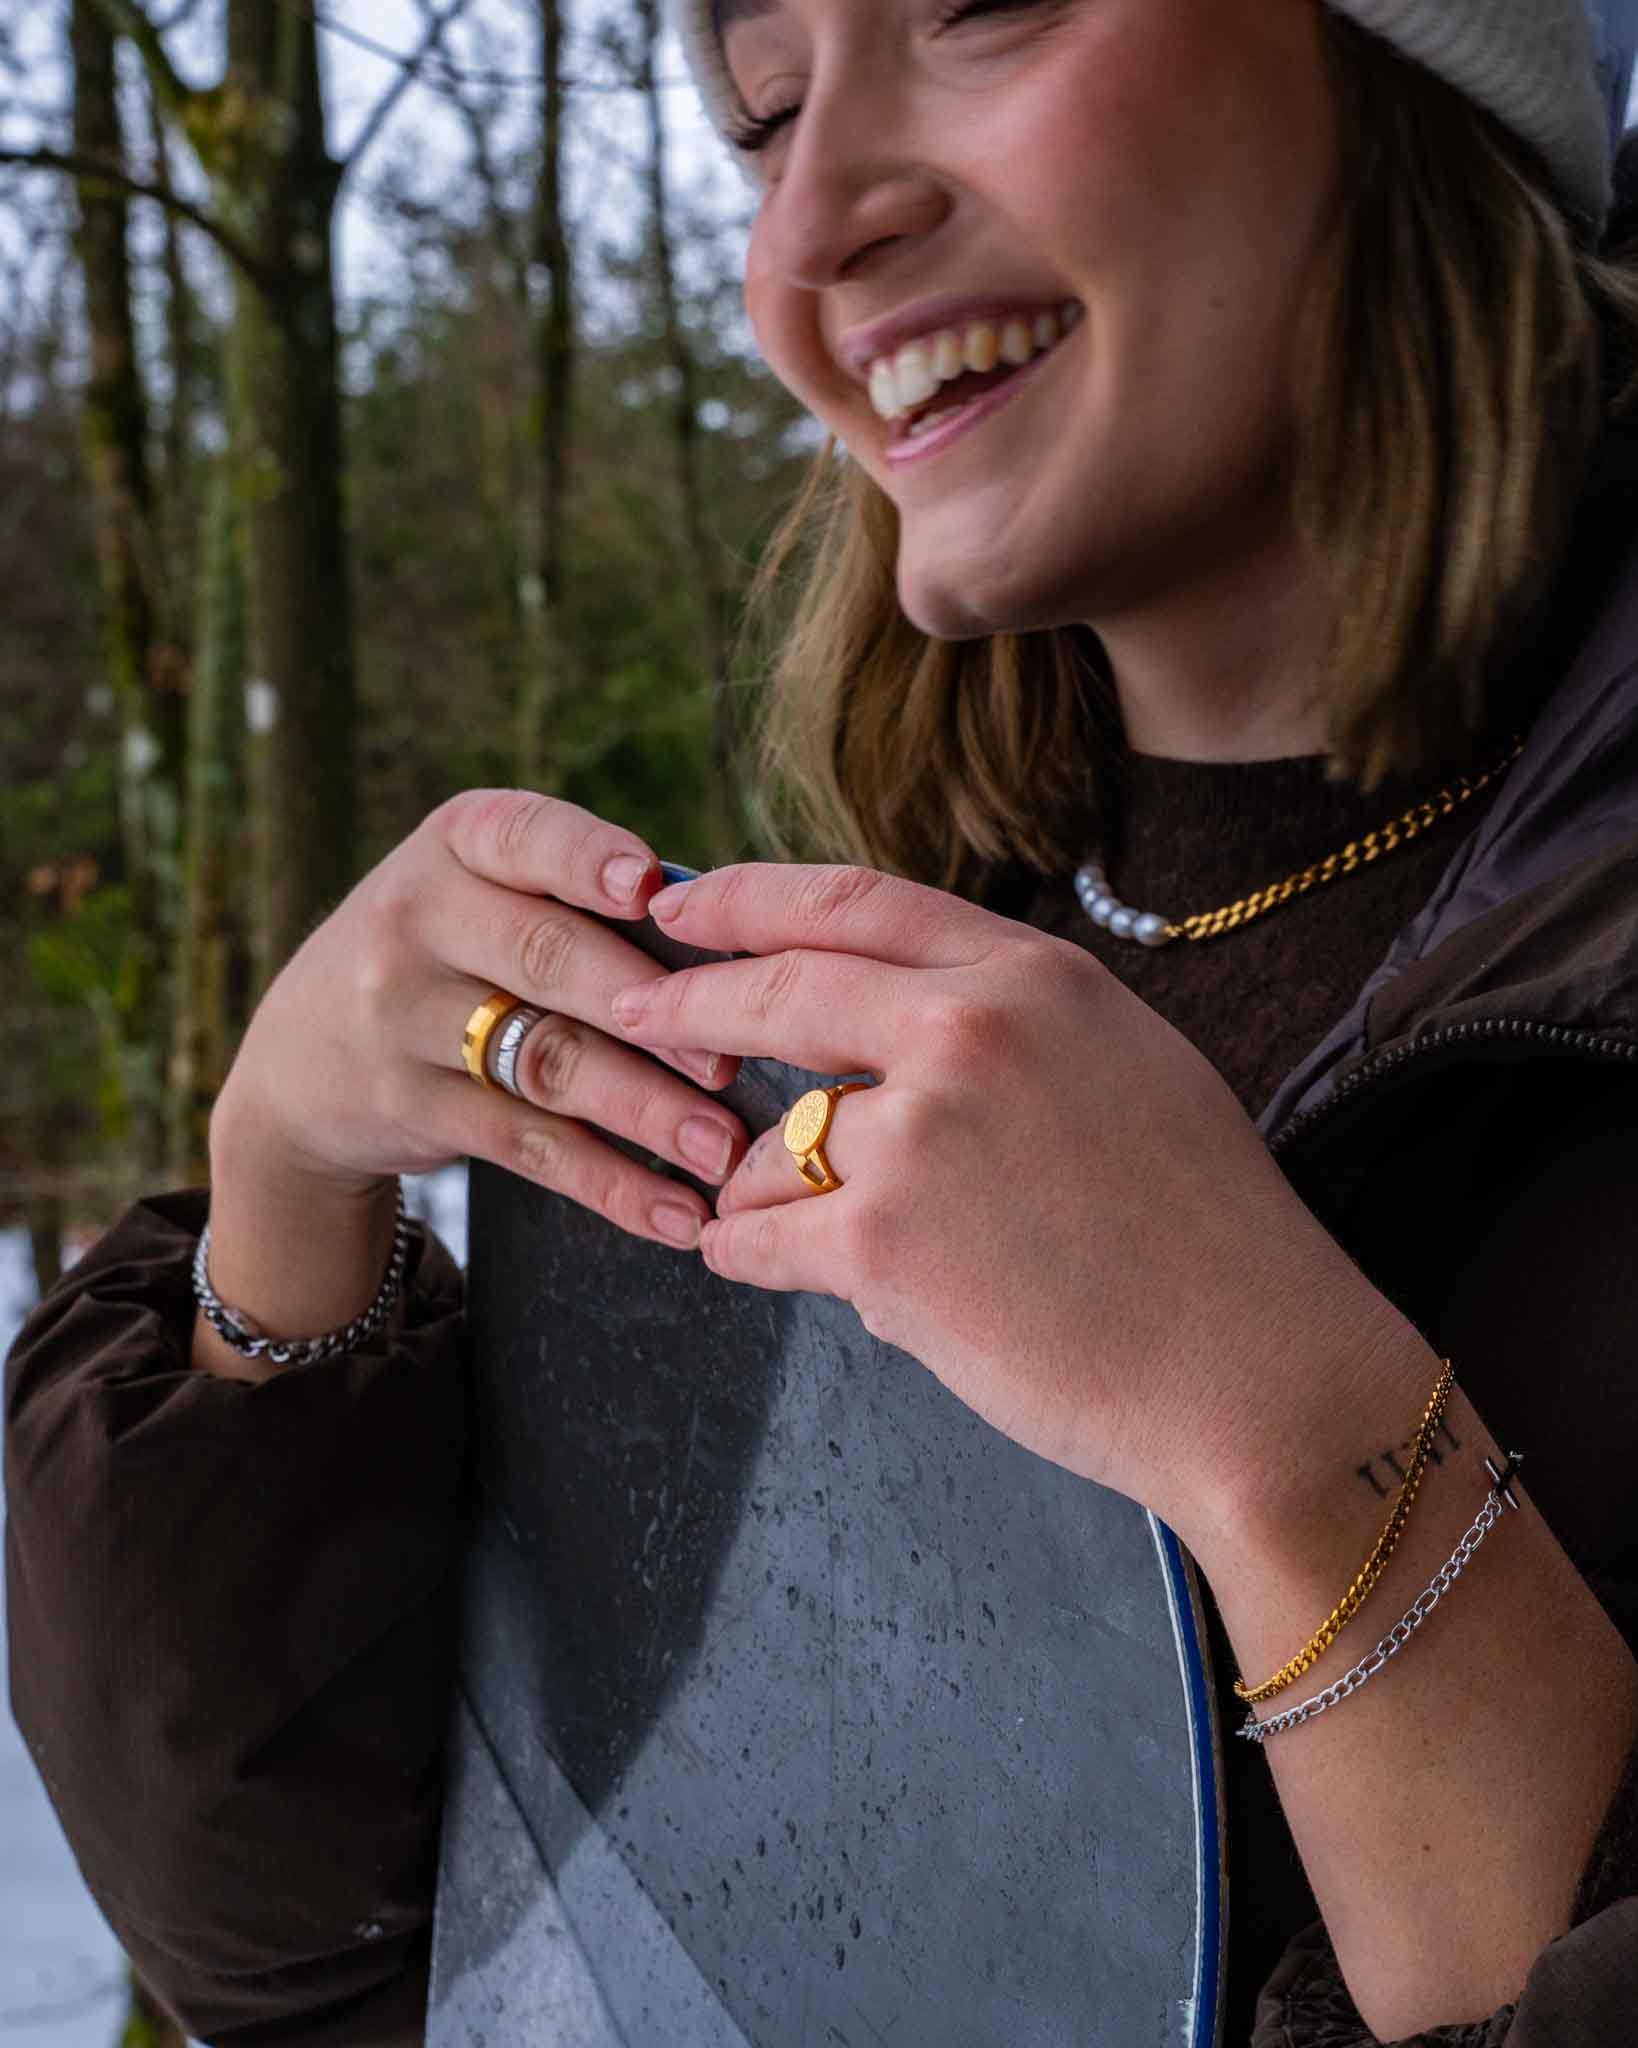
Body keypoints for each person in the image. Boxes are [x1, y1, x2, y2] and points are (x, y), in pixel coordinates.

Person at [8, 0, 1638, 2041]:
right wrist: (283, 1191)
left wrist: (1286, 1434)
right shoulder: (841, 1037)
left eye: (977, 12)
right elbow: (364, 1961)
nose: (810, 242)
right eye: (766, 116)